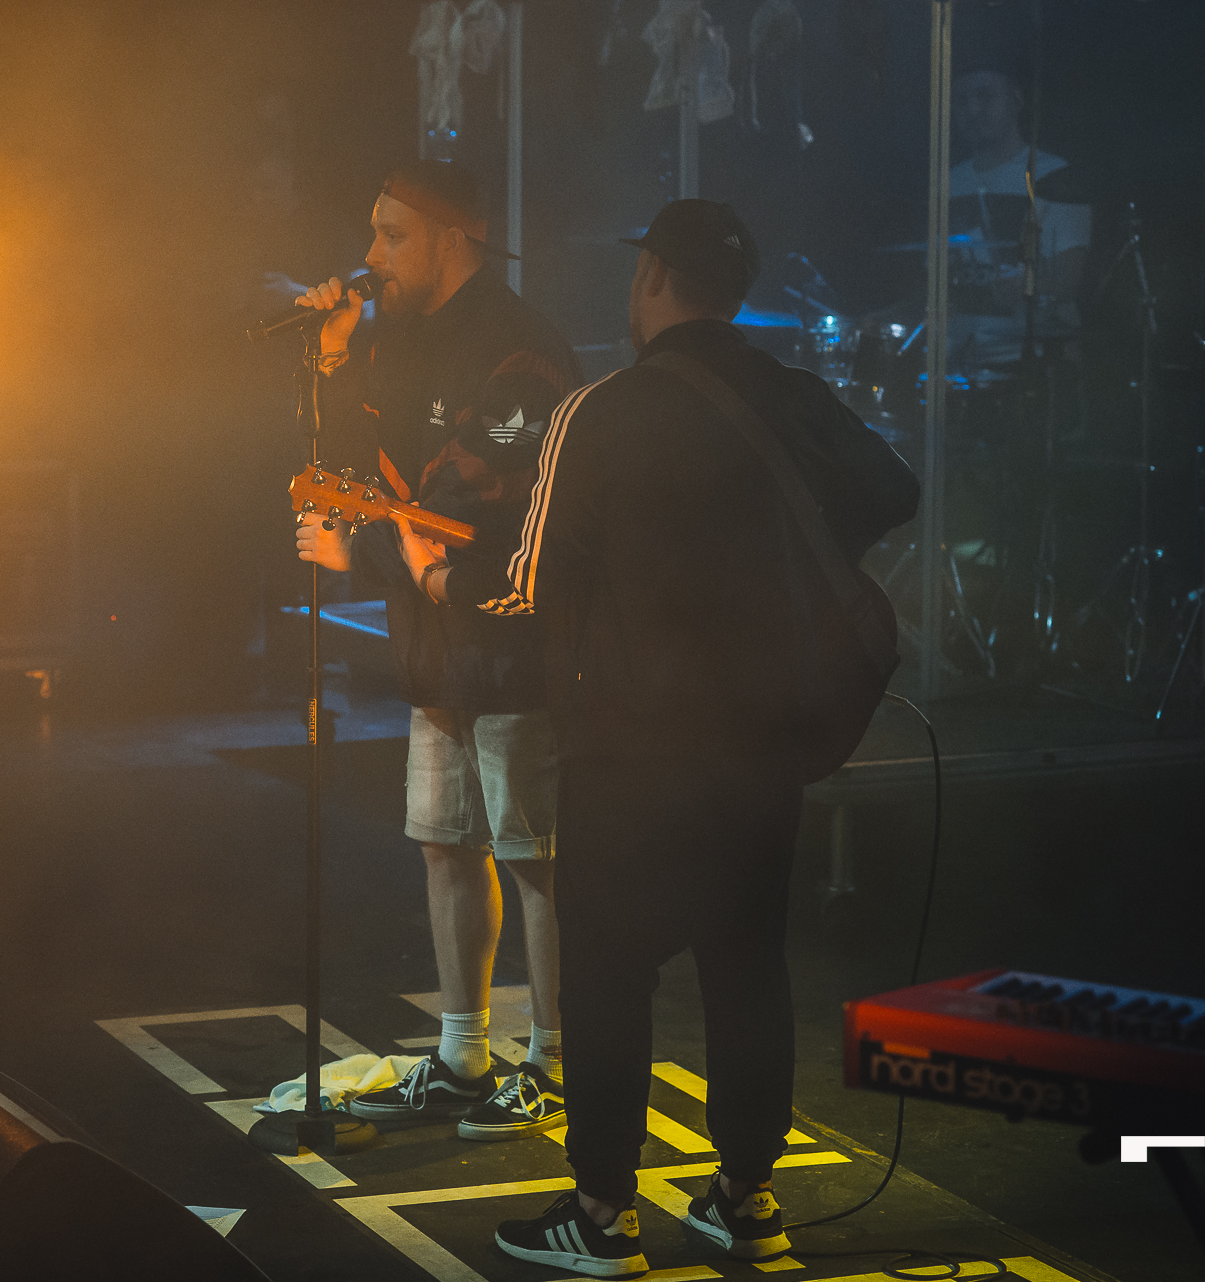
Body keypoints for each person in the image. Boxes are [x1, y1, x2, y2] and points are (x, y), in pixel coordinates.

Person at [405, 200, 918, 1273]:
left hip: (630, 747)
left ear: (649, 279)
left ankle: (602, 1216)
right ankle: (747, 1199)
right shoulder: (792, 394)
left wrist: (437, 577)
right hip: (761, 740)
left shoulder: (601, 411)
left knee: (608, 972)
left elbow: (529, 589)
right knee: (748, 966)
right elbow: (893, 489)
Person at [290, 160, 582, 1139]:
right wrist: (335, 359)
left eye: (392, 235)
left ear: (453, 239)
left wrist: (365, 546)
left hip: (509, 637)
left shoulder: (520, 348)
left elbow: (476, 502)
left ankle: (556, 1063)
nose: (370, 256)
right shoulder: (394, 339)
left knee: (534, 854)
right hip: (433, 642)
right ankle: (463, 1055)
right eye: (372, 234)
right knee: (445, 839)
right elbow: (364, 474)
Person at [948, 62, 1091, 372]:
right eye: (961, 101)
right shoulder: (949, 182)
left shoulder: (1053, 175)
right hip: (957, 359)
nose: (972, 110)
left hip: (1032, 361)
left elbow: (1069, 278)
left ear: (1016, 101)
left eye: (984, 96)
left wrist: (1026, 285)